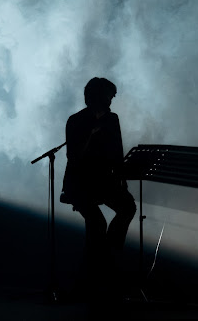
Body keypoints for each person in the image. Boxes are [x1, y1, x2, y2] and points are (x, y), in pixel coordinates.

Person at [60, 77, 136, 301]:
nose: (111, 101)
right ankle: (93, 278)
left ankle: (107, 255)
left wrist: (122, 178)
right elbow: (74, 157)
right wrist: (91, 133)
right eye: (108, 96)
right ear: (96, 97)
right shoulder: (75, 121)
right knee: (97, 224)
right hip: (80, 183)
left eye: (112, 97)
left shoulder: (112, 119)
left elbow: (117, 151)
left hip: (104, 181)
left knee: (127, 207)